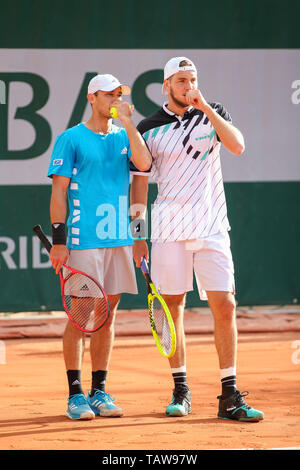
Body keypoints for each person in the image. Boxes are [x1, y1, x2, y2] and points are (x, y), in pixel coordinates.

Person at [131, 57, 264, 422]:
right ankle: (181, 388)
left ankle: (229, 394)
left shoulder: (212, 112)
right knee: (172, 310)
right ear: (166, 86)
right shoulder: (148, 127)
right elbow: (139, 184)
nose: (188, 85)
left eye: (192, 79)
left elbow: (237, 146)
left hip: (212, 226)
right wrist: (139, 237)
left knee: (226, 306)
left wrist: (205, 106)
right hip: (170, 230)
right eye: (181, 80)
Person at [47, 73, 152, 420]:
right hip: (82, 240)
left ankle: (99, 391)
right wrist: (59, 242)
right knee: (81, 317)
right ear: (92, 98)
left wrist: (139, 235)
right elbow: (59, 192)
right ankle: (75, 395)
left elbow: (143, 170)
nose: (115, 99)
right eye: (109, 95)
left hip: (120, 240)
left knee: (107, 317)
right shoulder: (70, 139)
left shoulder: (125, 137)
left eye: (119, 95)